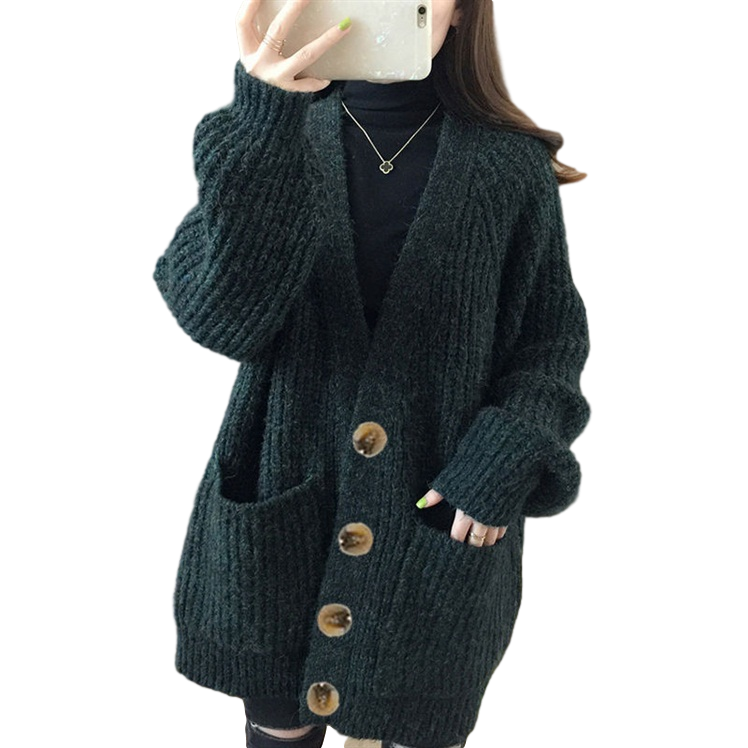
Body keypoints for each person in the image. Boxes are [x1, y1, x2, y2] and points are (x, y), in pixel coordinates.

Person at [153, 1, 591, 747]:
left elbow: (553, 342)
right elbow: (220, 321)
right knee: (277, 729)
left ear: (463, 13)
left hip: (437, 515)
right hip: (280, 521)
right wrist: (261, 120)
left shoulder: (509, 167)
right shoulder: (263, 139)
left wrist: (508, 450)